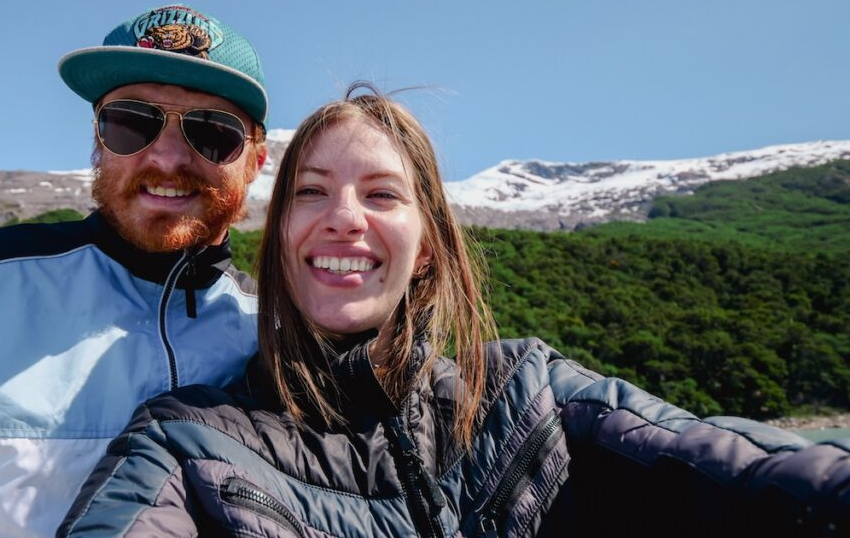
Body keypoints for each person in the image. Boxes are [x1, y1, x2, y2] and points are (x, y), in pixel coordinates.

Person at [58, 84, 850, 538]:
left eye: (381, 194)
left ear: (427, 245)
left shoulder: (532, 393)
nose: (344, 217)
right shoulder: (190, 439)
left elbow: (759, 472)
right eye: (310, 192)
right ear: (281, 240)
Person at [0, 4, 269, 538]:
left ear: (256, 161)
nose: (168, 158)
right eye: (131, 123)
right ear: (97, 142)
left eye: (212, 132)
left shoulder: (282, 336)